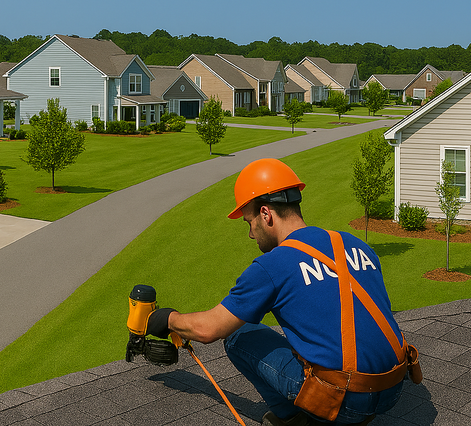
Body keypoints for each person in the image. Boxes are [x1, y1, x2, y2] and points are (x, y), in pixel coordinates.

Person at [146, 158, 420, 426]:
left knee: (238, 335)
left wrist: (167, 319)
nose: (251, 234)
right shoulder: (355, 243)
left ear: (266, 214)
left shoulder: (273, 265)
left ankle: (292, 417)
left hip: (345, 403)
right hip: (394, 388)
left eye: (249, 222)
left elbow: (209, 329)